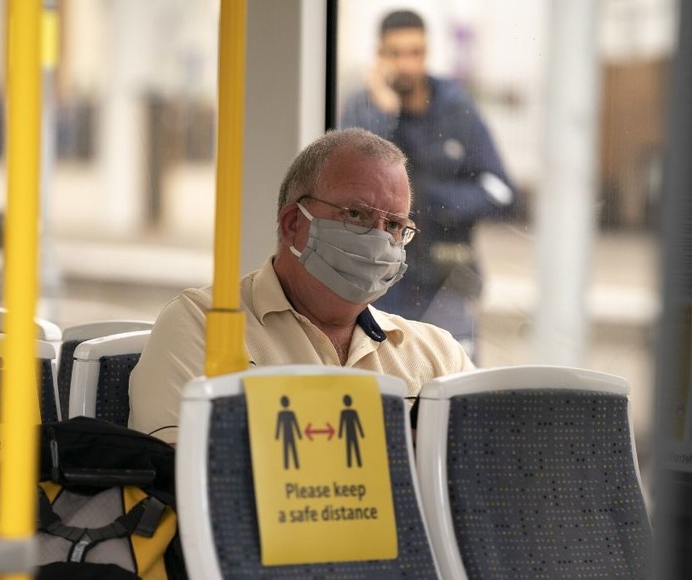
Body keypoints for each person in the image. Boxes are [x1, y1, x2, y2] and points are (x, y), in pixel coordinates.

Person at [129, 128, 474, 444]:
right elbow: (183, 480)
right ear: (294, 223)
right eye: (356, 215)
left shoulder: (437, 357)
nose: (381, 239)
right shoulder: (202, 327)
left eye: (395, 224)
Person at [340, 10, 515, 359]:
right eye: (396, 53)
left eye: (415, 52)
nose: (407, 64)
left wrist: (434, 203)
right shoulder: (363, 109)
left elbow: (503, 193)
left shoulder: (454, 107)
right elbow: (350, 189)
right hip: (380, 282)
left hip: (447, 277)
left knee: (457, 386)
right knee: (388, 386)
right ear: (380, 56)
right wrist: (383, 115)